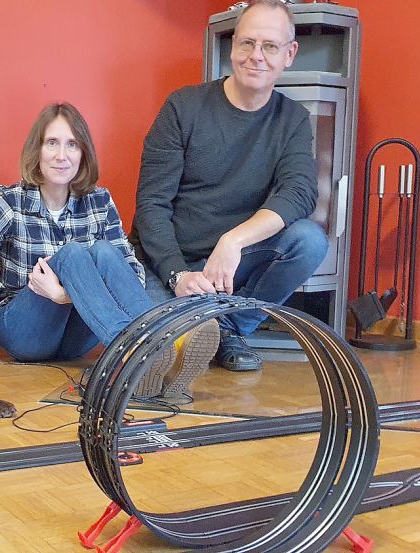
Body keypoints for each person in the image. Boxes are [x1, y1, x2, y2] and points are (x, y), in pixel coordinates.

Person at [0, 102, 219, 398]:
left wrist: (64, 296)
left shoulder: (99, 201)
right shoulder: (9, 203)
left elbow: (130, 271)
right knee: (73, 254)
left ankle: (156, 357)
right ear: (37, 150)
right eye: (52, 143)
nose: (61, 155)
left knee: (106, 251)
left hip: (76, 338)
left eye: (72, 144)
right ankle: (139, 351)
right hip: (24, 332)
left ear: (83, 154)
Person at [130, 0, 328, 373]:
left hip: (231, 265)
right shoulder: (182, 107)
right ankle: (195, 323)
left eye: (270, 46)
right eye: (247, 43)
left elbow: (300, 192)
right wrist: (176, 274)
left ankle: (229, 327)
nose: (257, 56)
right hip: (168, 263)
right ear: (233, 45)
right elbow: (152, 204)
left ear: (290, 54)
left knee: (309, 240)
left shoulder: (294, 120)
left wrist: (233, 240)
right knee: (159, 346)